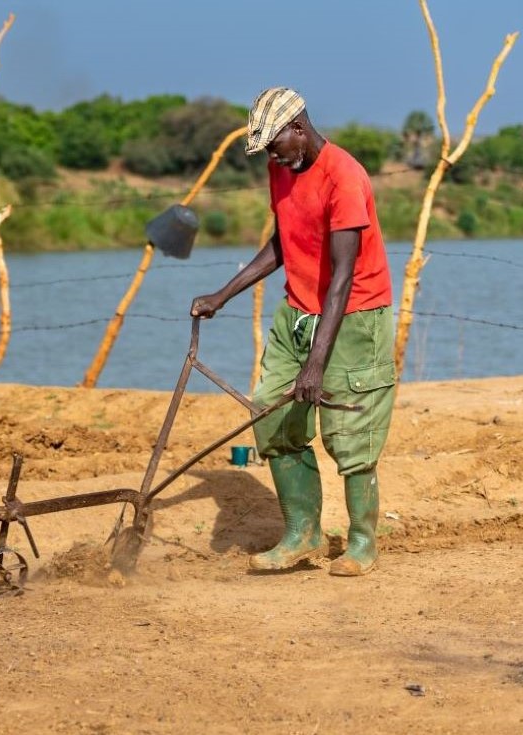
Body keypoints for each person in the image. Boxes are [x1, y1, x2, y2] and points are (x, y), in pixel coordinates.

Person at [189, 88, 395, 577]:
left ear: (299, 129)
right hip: (298, 310)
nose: (272, 157)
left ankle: (363, 542)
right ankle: (302, 533)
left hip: (353, 315)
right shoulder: (282, 166)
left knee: (351, 433)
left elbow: (342, 277)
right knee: (270, 410)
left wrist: (316, 363)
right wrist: (222, 294)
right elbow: (284, 240)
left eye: (275, 145)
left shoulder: (345, 177)